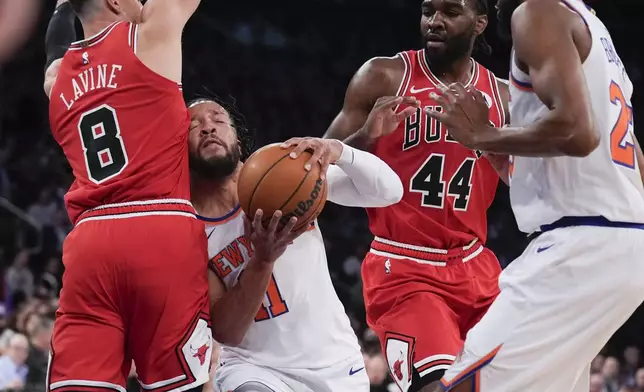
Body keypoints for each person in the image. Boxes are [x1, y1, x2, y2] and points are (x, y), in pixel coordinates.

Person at [428, 0, 644, 391]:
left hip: (582, 247)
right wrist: (510, 161)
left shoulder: (536, 11)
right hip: (617, 241)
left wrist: (481, 135)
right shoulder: (595, 30)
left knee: (464, 385)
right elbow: (628, 166)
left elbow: (577, 133)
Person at [324, 0, 508, 390]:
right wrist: (366, 137)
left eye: (450, 12)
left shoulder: (503, 97)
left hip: (475, 266)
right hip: (404, 266)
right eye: (428, 11)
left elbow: (527, 184)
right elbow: (317, 164)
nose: (434, 21)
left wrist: (489, 140)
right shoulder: (384, 76)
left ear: (480, 23)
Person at [44, 0, 212, 391]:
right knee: (179, 385)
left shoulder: (58, 78)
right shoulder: (147, 36)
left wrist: (62, 9)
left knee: (81, 383)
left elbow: (54, 44)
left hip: (90, 242)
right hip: (159, 226)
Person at [187, 97, 405, 392]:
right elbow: (228, 331)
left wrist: (340, 151)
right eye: (194, 125)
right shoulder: (186, 228)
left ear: (238, 139)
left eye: (218, 119)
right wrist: (262, 260)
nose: (208, 128)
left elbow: (390, 192)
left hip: (335, 363)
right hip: (255, 368)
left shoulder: (286, 173)